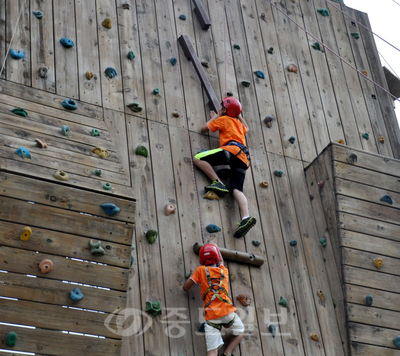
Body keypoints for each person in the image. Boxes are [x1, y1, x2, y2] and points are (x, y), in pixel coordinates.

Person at [193, 97, 256, 238]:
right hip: (243, 159)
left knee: (198, 158)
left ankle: (218, 183)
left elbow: (203, 129)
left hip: (230, 151)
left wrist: (216, 116)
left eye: (223, 107)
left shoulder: (224, 120)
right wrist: (239, 116)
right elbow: (248, 128)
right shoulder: (240, 125)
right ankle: (246, 217)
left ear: (225, 110)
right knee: (237, 190)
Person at [183, 243, 244, 356]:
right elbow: (221, 262)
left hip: (211, 317)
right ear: (216, 257)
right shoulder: (224, 271)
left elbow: (185, 287)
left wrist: (192, 275)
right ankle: (227, 353)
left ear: (201, 260)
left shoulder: (200, 270)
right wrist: (215, 247)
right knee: (240, 332)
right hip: (227, 312)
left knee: (212, 351)